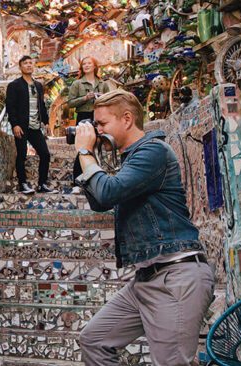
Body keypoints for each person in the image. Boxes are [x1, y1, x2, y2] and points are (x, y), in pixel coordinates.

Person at [73, 89, 214, 366]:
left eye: (102, 124)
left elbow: (107, 192)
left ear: (127, 119)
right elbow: (100, 201)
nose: (97, 131)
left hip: (175, 276)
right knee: (94, 340)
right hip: (146, 278)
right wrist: (84, 156)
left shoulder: (153, 152)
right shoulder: (131, 159)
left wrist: (85, 151)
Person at [5, 55, 51, 195]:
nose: (29, 65)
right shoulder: (14, 85)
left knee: (45, 154)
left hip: (35, 126)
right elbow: (10, 106)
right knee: (22, 154)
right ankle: (22, 184)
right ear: (20, 67)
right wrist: (15, 124)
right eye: (25, 63)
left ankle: (42, 184)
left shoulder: (38, 86)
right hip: (21, 126)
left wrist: (46, 122)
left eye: (31, 63)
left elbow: (41, 105)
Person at [66, 57, 111, 194]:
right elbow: (70, 103)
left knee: (97, 148)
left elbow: (110, 101)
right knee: (83, 148)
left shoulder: (103, 84)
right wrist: (86, 98)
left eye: (89, 63)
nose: (86, 65)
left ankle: (94, 183)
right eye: (84, 64)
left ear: (95, 66)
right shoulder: (77, 83)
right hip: (83, 117)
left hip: (99, 117)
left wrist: (102, 98)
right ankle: (77, 182)